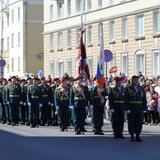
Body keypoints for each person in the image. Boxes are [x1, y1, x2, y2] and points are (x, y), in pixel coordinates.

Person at [124, 75, 147, 142]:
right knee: (131, 122)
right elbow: (126, 99)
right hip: (132, 107)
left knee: (139, 122)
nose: (135, 81)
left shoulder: (141, 88)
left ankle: (137, 135)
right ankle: (132, 135)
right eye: (134, 80)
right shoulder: (128, 88)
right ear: (131, 81)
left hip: (139, 107)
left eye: (137, 80)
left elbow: (144, 99)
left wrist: (144, 108)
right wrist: (127, 108)